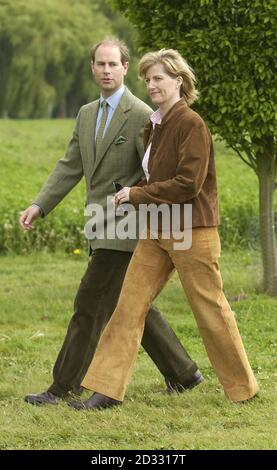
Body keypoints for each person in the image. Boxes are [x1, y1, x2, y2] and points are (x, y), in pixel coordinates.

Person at [69, 48, 259, 410]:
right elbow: (156, 175)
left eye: (159, 78)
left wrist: (137, 193)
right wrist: (128, 193)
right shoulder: (153, 124)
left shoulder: (192, 124)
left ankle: (243, 388)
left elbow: (188, 183)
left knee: (210, 310)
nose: (152, 85)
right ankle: (106, 391)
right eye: (148, 79)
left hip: (193, 230)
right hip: (156, 231)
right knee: (128, 306)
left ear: (179, 81)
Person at [19, 40, 203, 406]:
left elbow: (156, 172)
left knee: (90, 301)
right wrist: (40, 204)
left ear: (124, 67)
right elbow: (71, 164)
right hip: (98, 223)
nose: (106, 70)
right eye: (100, 64)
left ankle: (63, 386)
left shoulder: (141, 114)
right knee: (132, 304)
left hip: (129, 227)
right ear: (92, 68)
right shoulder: (86, 113)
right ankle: (184, 374)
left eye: (113, 64)